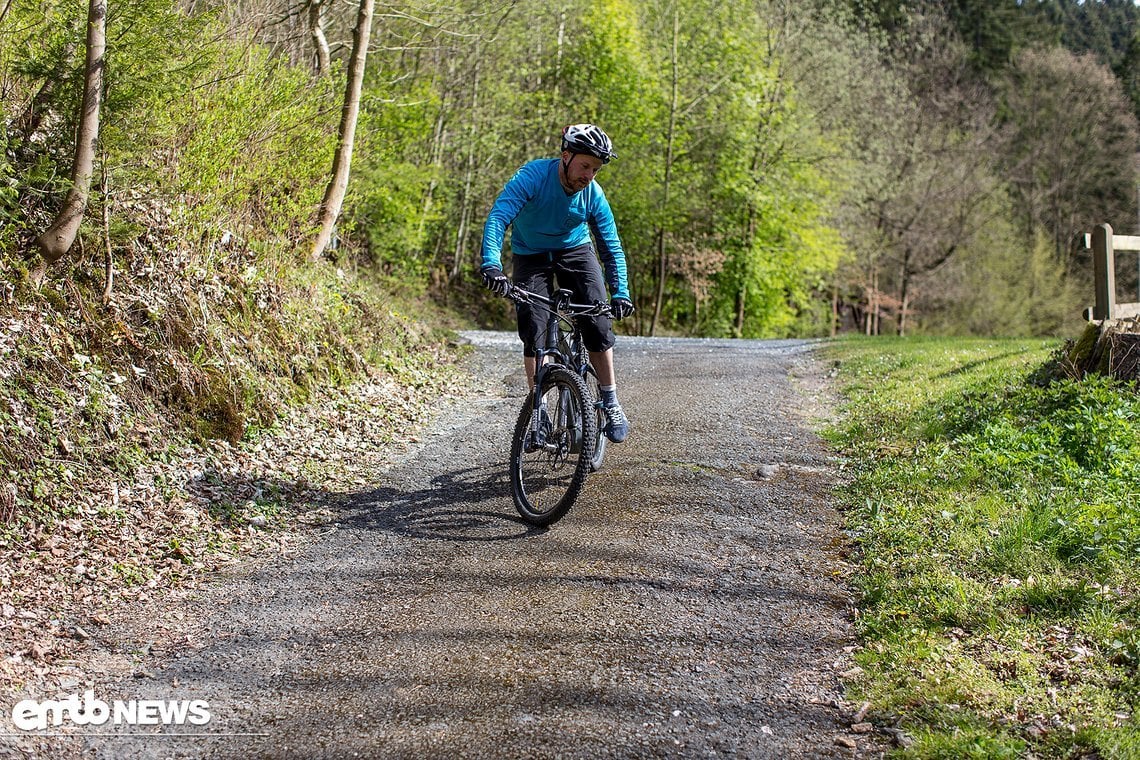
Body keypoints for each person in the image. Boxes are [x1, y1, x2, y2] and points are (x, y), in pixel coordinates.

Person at [479, 123, 635, 443]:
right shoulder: (532, 177)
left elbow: (610, 245)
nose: (589, 175)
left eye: (596, 169)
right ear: (565, 156)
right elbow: (499, 216)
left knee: (598, 321)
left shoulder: (592, 194)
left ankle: (609, 400)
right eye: (585, 166)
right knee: (534, 326)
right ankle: (539, 409)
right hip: (531, 254)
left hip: (575, 250)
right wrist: (492, 265)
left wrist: (621, 291)